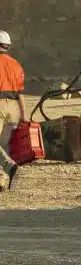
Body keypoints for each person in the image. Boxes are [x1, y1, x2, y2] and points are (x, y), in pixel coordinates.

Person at [0, 30, 26, 191]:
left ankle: (10, 167)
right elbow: (20, 94)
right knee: (3, 146)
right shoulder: (16, 65)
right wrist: (24, 115)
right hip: (14, 108)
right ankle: (1, 183)